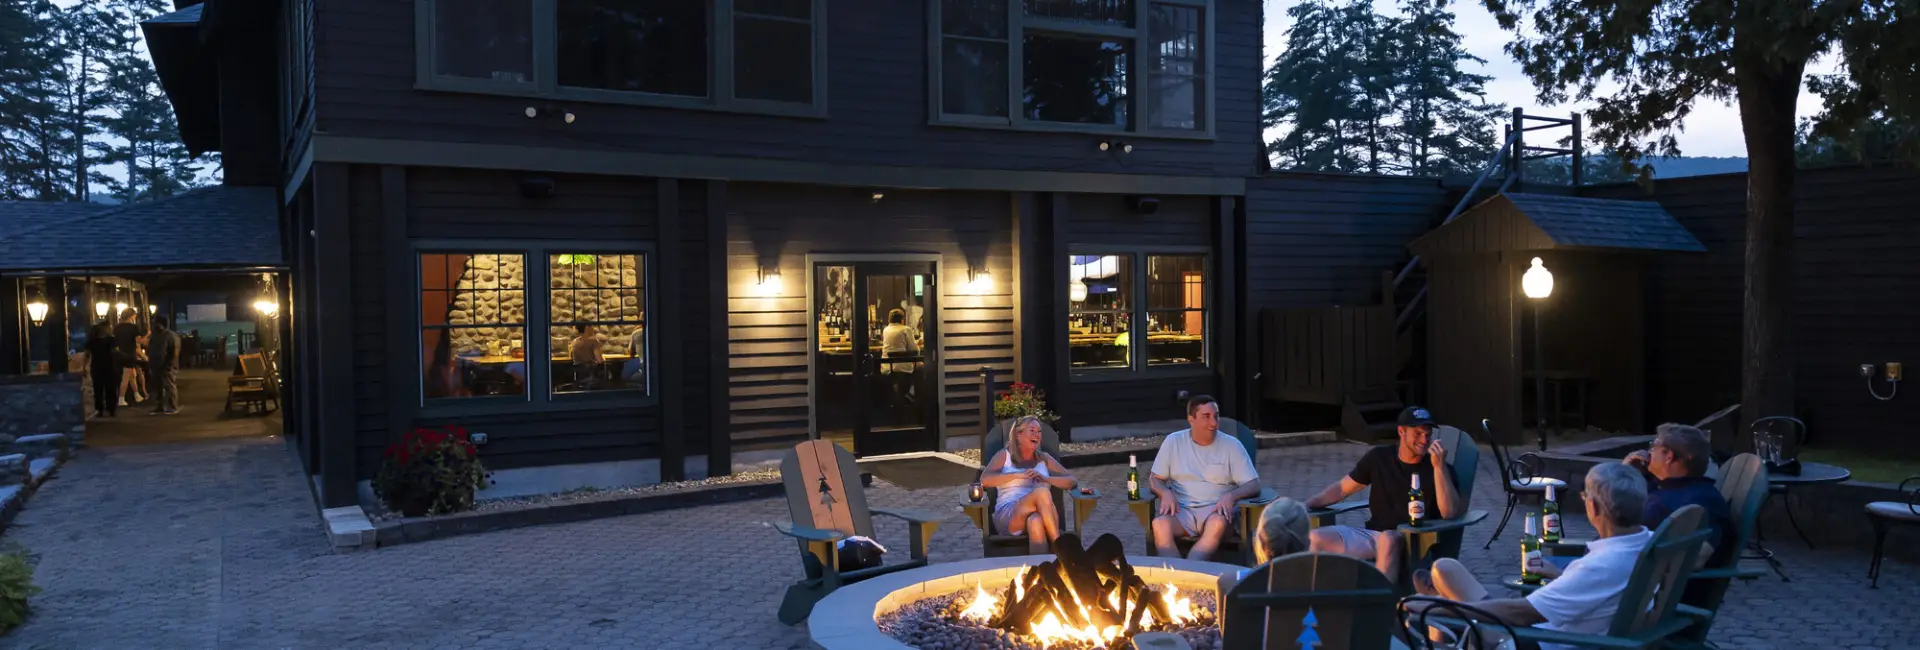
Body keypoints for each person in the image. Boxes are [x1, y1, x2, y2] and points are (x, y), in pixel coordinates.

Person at [1405, 463, 1658, 650]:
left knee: (1417, 609)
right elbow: (1602, 590)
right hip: (1544, 628)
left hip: (1536, 642)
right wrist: (1562, 575)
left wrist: (1441, 609)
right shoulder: (1647, 543)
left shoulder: (1603, 564)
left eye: (1584, 497)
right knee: (1447, 569)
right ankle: (1443, 606)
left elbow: (1522, 613)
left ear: (1592, 507)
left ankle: (1441, 609)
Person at [1302, 405, 1464, 582]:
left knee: (1389, 538)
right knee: (1314, 538)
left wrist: (1439, 467)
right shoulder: (1379, 458)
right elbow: (1342, 489)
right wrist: (1306, 505)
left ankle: (1381, 604)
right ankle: (1323, 601)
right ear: (1401, 432)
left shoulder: (1440, 468)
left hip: (1415, 541)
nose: (1424, 440)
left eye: (1427, 434)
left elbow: (1450, 512)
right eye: (1417, 433)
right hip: (1373, 536)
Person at [1624, 423, 1734, 601]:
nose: (1648, 452)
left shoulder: (1701, 500)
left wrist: (1624, 563)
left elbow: (1698, 556)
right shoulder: (1661, 487)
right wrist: (1626, 473)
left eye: (1654, 446)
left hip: (1644, 596)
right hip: (1617, 574)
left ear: (1668, 456)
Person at [1147, 395, 1261, 562]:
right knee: (1159, 525)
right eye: (1206, 417)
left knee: (1216, 525)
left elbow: (1254, 484)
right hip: (1182, 511)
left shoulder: (1231, 445)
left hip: (1217, 512)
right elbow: (1154, 479)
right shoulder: (1174, 442)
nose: (1214, 423)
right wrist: (1164, 492)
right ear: (1191, 419)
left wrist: (1231, 496)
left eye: (1216, 416)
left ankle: (1188, 575)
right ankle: (1176, 578)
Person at [980, 415, 1078, 553]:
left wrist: (1046, 479)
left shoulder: (1044, 458)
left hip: (1042, 512)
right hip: (1010, 515)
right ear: (1018, 435)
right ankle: (1059, 548)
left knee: (1035, 521)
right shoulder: (1004, 456)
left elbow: (1072, 480)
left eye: (1039, 431)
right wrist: (1017, 475)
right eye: (1032, 430)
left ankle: (1042, 570)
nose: (1037, 435)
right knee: (1042, 491)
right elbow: (985, 480)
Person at [146, 316, 181, 415]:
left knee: (169, 385)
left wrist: (168, 364)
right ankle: (160, 406)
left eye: (155, 323)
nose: (153, 325)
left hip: (167, 365)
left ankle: (173, 406)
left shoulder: (170, 335)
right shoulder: (155, 335)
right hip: (155, 365)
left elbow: (174, 351)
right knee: (158, 386)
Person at [111, 308, 145, 406]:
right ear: (131, 316)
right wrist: (146, 337)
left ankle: (136, 395)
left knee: (132, 375)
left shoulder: (117, 327)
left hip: (119, 354)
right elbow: (139, 340)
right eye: (134, 316)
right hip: (129, 354)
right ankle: (121, 399)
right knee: (126, 377)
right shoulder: (133, 327)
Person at [84, 323, 118, 418]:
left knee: (98, 389)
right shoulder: (111, 340)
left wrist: (84, 367)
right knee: (110, 388)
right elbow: (115, 352)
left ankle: (99, 409)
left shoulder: (91, 341)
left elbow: (87, 355)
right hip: (109, 366)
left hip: (96, 366)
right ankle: (111, 408)